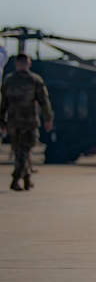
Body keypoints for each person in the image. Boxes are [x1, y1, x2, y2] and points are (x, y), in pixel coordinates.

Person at [0, 54, 53, 190]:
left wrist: (2, 121)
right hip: (28, 122)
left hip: (12, 122)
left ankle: (27, 179)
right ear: (28, 64)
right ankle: (16, 178)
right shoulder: (35, 80)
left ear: (17, 64)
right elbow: (44, 102)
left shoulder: (9, 80)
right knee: (24, 151)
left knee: (19, 152)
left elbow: (3, 104)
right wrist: (48, 119)